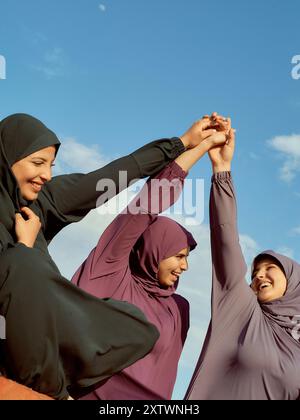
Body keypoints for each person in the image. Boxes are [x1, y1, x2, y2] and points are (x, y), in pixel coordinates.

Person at [0, 112, 215, 400]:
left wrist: (184, 142)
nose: (47, 175)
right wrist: (24, 249)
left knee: (140, 328)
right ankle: (50, 387)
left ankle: (60, 383)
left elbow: (112, 177)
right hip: (11, 341)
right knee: (21, 262)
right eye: (37, 163)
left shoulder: (43, 201)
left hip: (47, 336)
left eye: (51, 165)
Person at [71, 117, 228, 400]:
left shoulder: (179, 308)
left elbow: (165, 378)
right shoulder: (110, 274)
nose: (185, 266)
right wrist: (199, 147)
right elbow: (143, 208)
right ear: (153, 251)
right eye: (178, 256)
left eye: (187, 257)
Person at [185, 115, 300, 400]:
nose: (259, 274)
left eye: (270, 268)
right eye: (255, 271)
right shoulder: (243, 310)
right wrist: (221, 169)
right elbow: (226, 240)